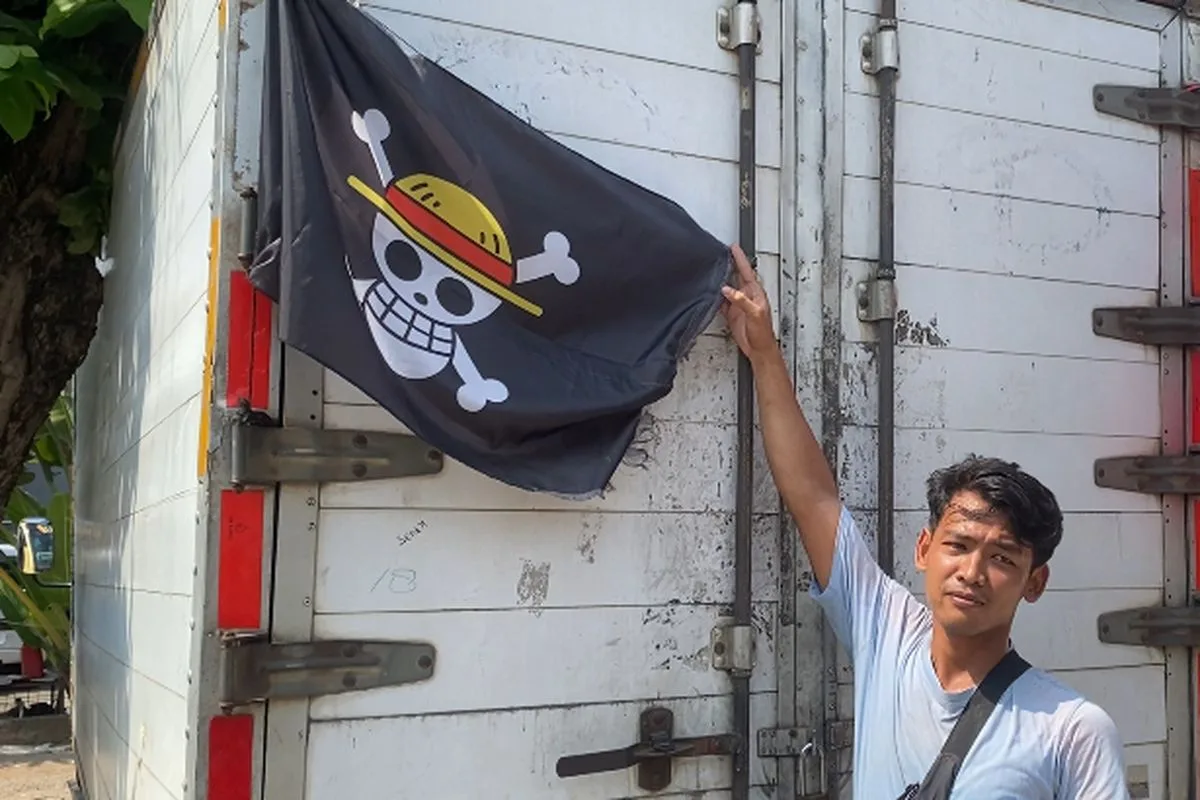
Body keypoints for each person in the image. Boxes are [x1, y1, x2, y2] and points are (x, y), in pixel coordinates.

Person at [719, 244, 1129, 798]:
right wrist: (765, 354)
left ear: (1035, 582)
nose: (971, 572)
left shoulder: (1073, 732)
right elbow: (813, 498)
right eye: (957, 545)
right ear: (923, 548)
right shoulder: (886, 633)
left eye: (1001, 557)